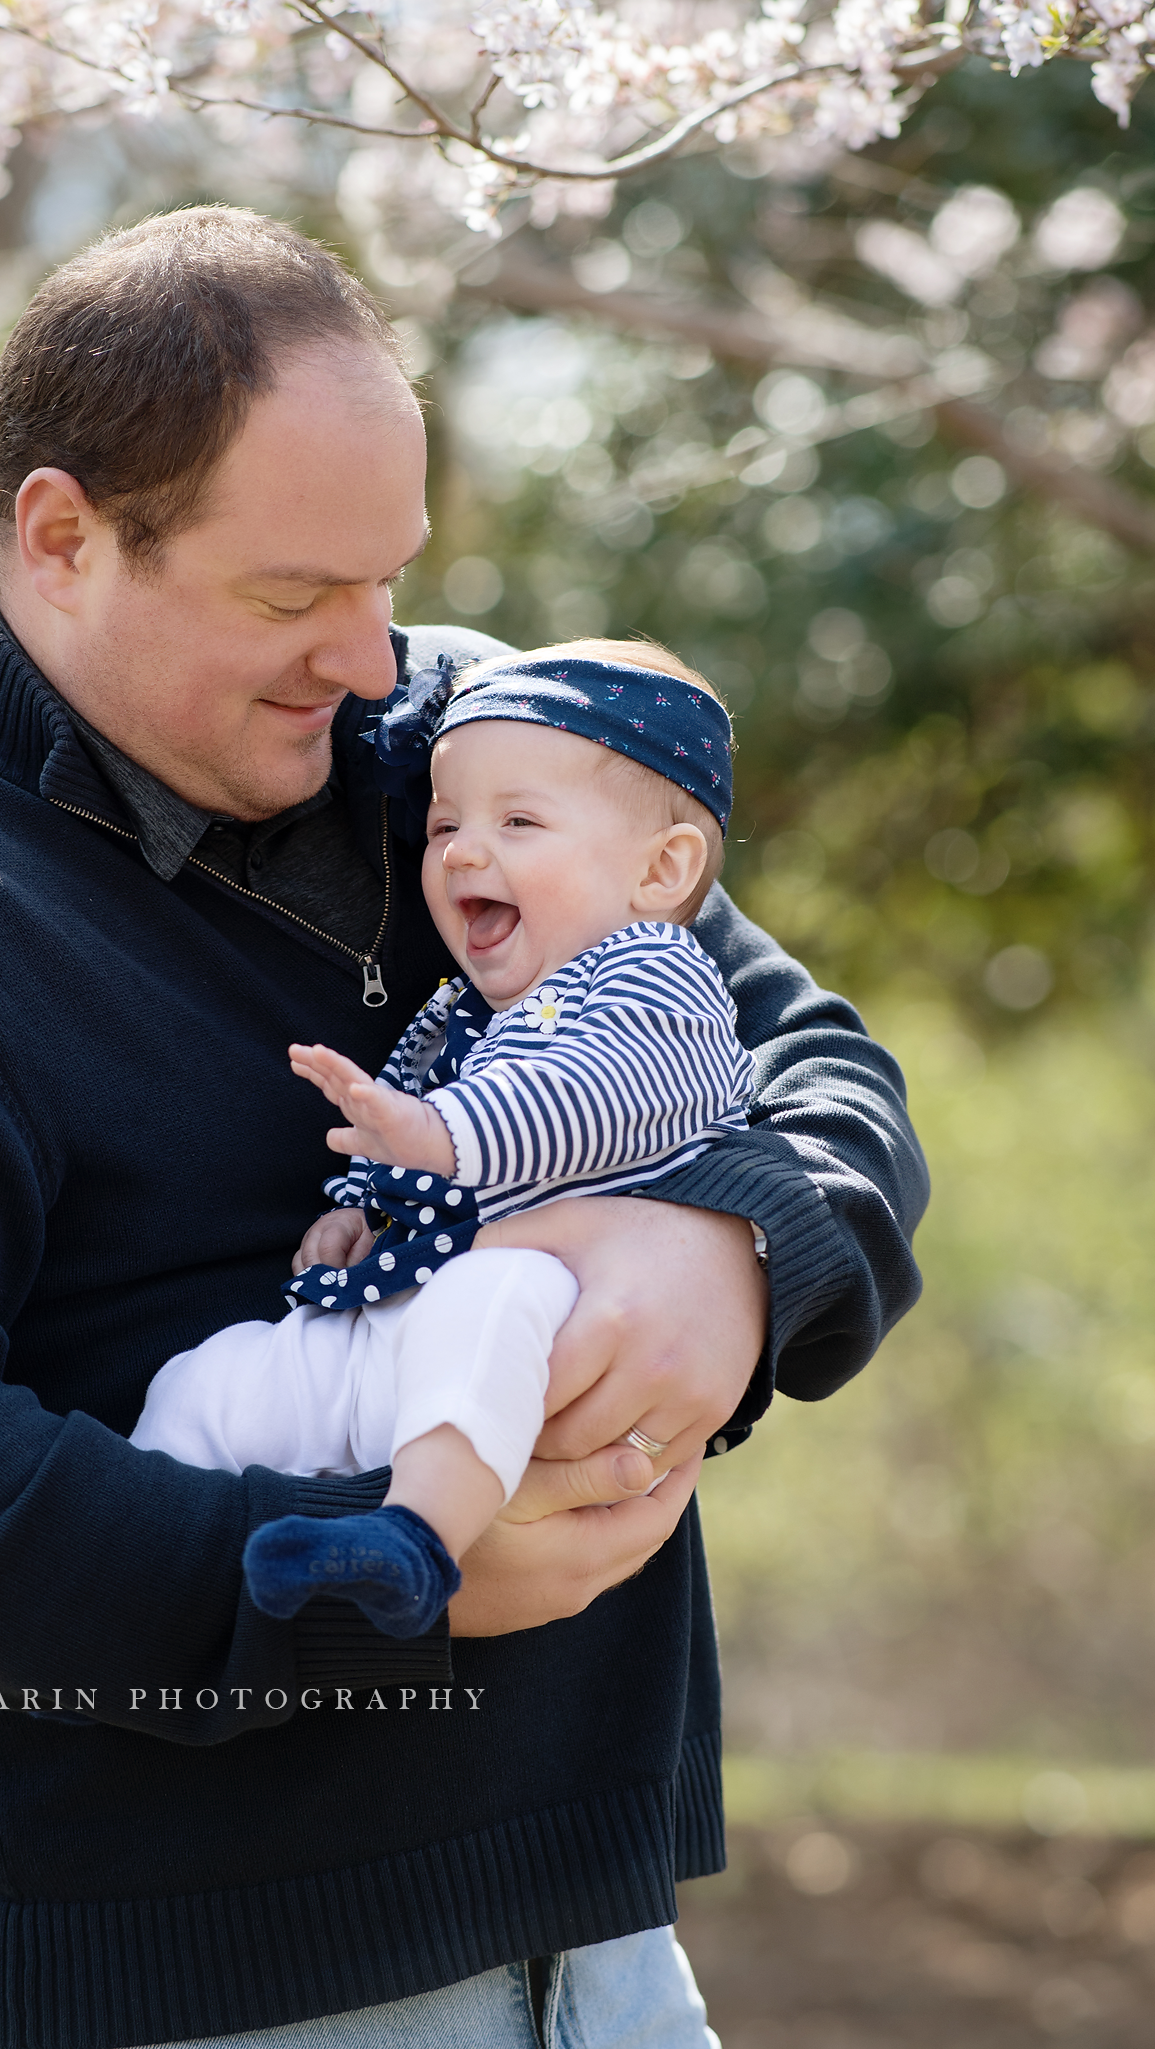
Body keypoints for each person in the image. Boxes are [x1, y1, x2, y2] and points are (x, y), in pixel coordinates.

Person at [0, 206, 928, 2049]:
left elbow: (813, 1064)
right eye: (291, 595)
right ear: (64, 535)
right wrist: (377, 1586)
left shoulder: (477, 758)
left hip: (615, 1963)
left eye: (388, 577)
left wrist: (735, 1247)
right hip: (175, 2008)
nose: (371, 652)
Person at [132, 643, 757, 1643]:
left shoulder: (652, 975)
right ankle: (167, 1546)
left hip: (553, 1307)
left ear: (662, 869)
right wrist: (353, 1210)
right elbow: (411, 1127)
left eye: (518, 822)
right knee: (216, 1377)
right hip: (398, 1307)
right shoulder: (468, 1006)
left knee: (485, 1309)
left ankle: (411, 1538)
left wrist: (435, 1133)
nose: (464, 851)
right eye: (444, 824)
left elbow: (590, 1097)